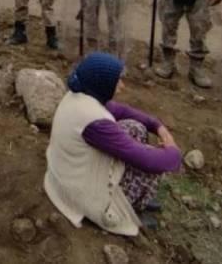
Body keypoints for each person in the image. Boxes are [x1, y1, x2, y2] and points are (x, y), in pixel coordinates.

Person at [45, 52, 182, 236]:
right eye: (118, 81)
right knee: (148, 161)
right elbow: (148, 161)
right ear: (103, 84)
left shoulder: (81, 95)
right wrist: (173, 151)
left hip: (66, 174)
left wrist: (157, 126)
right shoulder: (94, 122)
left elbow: (122, 110)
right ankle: (127, 208)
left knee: (136, 129)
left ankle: (136, 199)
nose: (122, 86)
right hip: (76, 193)